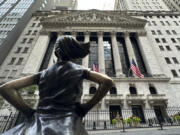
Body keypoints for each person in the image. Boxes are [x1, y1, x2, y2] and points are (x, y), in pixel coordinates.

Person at [0, 36, 114, 135]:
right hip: (67, 123)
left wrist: (28, 112)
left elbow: (6, 88)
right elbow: (107, 81)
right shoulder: (79, 71)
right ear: (73, 52)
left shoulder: (43, 74)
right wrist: (87, 107)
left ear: (56, 52)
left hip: (38, 123)